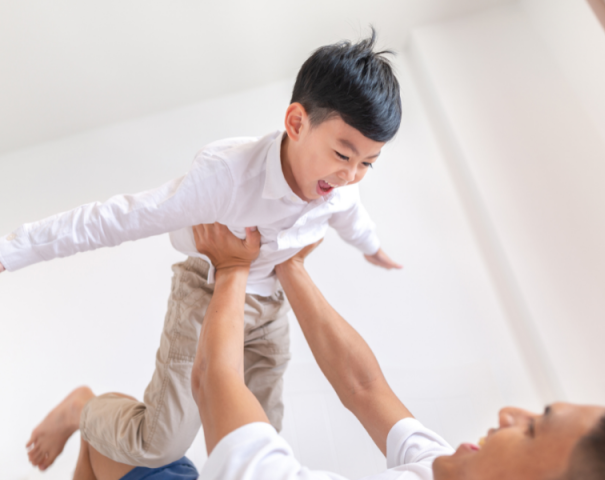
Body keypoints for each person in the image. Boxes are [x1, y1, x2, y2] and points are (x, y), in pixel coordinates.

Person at [5, 31, 404, 470]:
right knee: (159, 445)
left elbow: (353, 218)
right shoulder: (225, 176)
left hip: (271, 305)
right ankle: (81, 408)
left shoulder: (341, 190)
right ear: (296, 123)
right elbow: (119, 218)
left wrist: (372, 248)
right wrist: (13, 251)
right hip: (208, 291)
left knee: (263, 442)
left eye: (367, 163)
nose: (351, 175)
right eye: (343, 155)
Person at [32, 223, 605, 480]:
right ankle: (84, 413)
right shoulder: (447, 469)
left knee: (134, 444)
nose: (512, 413)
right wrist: (290, 267)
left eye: (533, 430)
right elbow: (365, 388)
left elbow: (214, 384)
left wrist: (233, 270)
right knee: (124, 444)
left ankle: (83, 409)